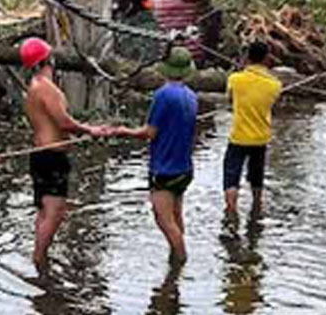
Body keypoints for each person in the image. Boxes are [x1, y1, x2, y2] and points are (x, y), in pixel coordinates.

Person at [20, 37, 111, 270]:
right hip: (52, 156)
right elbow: (64, 122)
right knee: (55, 211)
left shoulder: (33, 86)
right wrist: (90, 129)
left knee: (44, 210)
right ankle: (40, 259)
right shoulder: (46, 88)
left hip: (40, 154)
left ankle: (39, 258)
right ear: (47, 60)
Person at [112, 47, 200, 262]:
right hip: (185, 168)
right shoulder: (191, 96)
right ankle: (175, 262)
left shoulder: (163, 95)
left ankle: (179, 263)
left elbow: (149, 132)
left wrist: (123, 130)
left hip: (164, 169)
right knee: (176, 215)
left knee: (163, 219)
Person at [223, 41, 282, 216]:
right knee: (257, 176)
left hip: (238, 137)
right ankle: (256, 207)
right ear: (266, 58)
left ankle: (231, 211)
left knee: (231, 177)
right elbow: (272, 104)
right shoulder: (275, 85)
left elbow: (230, 101)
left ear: (247, 57)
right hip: (260, 138)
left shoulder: (235, 79)